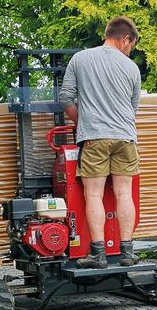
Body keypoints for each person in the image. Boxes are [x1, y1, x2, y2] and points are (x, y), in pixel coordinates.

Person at [58, 16, 142, 268]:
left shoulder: (81, 59)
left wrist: (82, 122)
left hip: (94, 138)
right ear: (125, 38)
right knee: (124, 193)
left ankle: (98, 254)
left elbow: (65, 98)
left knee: (93, 194)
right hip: (126, 138)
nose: (130, 51)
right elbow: (132, 109)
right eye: (131, 46)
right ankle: (126, 253)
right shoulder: (131, 68)